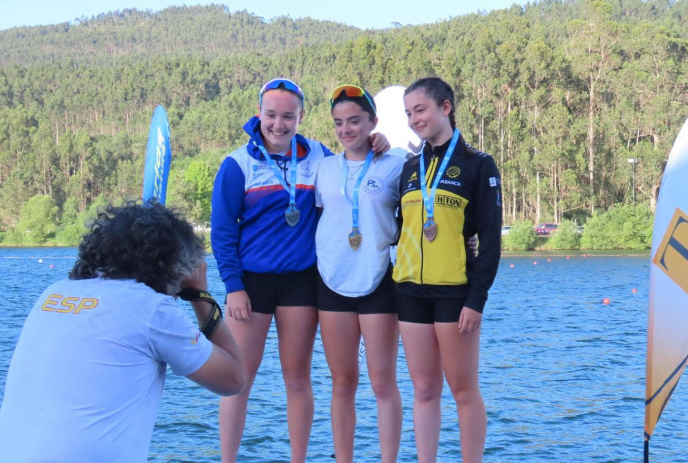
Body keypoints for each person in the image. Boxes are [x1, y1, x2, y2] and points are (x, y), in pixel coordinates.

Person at [210, 78, 389, 463]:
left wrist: (380, 142)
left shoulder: (320, 157)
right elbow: (222, 233)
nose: (279, 124)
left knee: (297, 379)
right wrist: (233, 286)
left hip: (301, 283)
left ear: (300, 117)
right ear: (259, 113)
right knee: (238, 381)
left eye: (288, 116)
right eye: (271, 115)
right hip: (250, 285)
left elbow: (356, 160)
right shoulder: (236, 164)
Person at [0, 202, 245, 462]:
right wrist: (199, 295)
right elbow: (233, 379)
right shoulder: (151, 309)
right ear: (177, 267)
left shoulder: (53, 293)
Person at [393, 76, 502, 463]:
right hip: (408, 292)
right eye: (408, 113)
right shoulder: (409, 166)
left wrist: (477, 300)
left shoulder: (477, 164)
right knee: (423, 390)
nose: (413, 119)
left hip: (456, 293)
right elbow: (397, 230)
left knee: (463, 391)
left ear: (445, 107)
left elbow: (491, 242)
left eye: (420, 110)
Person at [315, 85, 404, 463]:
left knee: (383, 383)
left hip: (379, 279)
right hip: (332, 280)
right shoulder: (324, 167)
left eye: (354, 120)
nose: (346, 129)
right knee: (342, 382)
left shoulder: (395, 164)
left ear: (373, 122)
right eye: (339, 123)